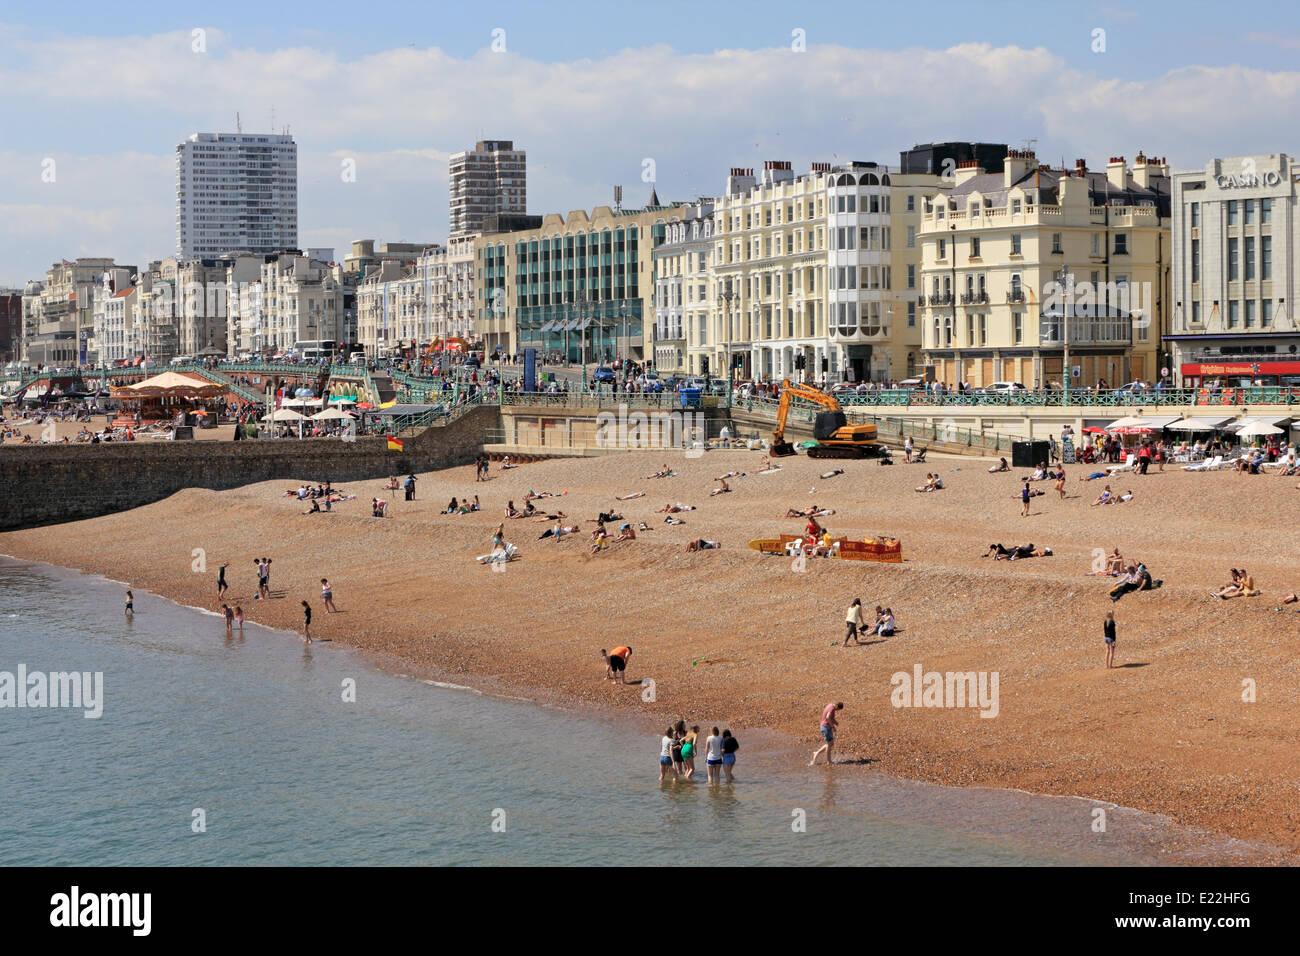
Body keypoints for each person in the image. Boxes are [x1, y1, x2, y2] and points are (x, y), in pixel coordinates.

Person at [810, 702, 842, 766]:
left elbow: (830, 718)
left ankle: (817, 753)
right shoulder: (832, 709)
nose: (837, 711)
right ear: (837, 706)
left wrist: (835, 723)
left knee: (831, 743)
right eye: (838, 710)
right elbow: (827, 717)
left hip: (826, 727)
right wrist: (833, 727)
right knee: (829, 744)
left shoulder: (830, 705)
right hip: (825, 727)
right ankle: (828, 761)